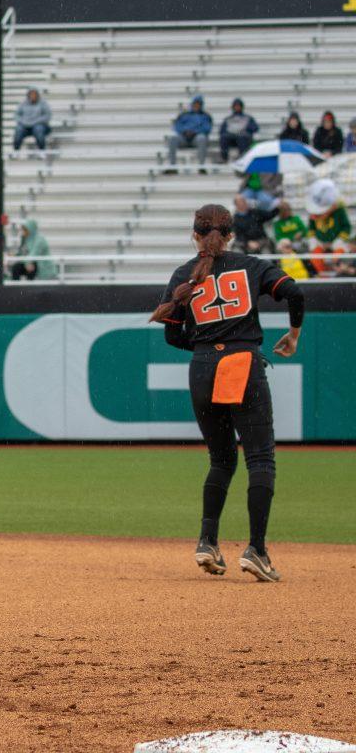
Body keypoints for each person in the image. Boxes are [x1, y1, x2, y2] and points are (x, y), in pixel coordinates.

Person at [150, 204, 304, 583]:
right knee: (260, 459)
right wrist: (294, 333)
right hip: (242, 365)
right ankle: (257, 550)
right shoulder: (249, 265)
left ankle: (207, 541)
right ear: (230, 235)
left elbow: (172, 335)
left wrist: (206, 348)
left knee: (220, 460)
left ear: (194, 234)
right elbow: (294, 293)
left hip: (202, 369)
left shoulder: (183, 275)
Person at [304, 178, 351, 274]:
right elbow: (311, 229)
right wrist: (314, 240)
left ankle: (338, 276)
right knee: (315, 257)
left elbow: (347, 227)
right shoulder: (314, 212)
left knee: (338, 257)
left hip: (336, 241)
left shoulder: (339, 211)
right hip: (320, 242)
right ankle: (322, 277)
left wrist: (338, 241)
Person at [232, 174, 279, 254]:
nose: (244, 203)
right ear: (237, 205)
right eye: (241, 202)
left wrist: (277, 207)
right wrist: (248, 243)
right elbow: (238, 235)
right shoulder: (235, 219)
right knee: (237, 252)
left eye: (244, 201)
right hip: (244, 244)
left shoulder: (255, 212)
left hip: (261, 241)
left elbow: (269, 215)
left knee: (267, 255)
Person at [164, 95, 212, 173]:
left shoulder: (205, 116)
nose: (196, 105)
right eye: (195, 104)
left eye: (198, 104)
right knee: (173, 139)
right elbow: (177, 126)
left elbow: (207, 128)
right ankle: (172, 166)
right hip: (184, 138)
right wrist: (185, 131)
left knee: (202, 138)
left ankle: (201, 166)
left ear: (201, 105)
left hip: (196, 138)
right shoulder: (184, 115)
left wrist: (195, 132)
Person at [12, 87, 51, 152]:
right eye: (31, 94)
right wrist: (23, 121)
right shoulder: (23, 104)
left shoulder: (43, 104)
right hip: (25, 126)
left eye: (34, 94)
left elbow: (47, 116)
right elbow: (16, 115)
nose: (33, 96)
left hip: (39, 125)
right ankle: (16, 151)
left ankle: (42, 151)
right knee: (19, 129)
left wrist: (37, 121)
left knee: (38, 129)